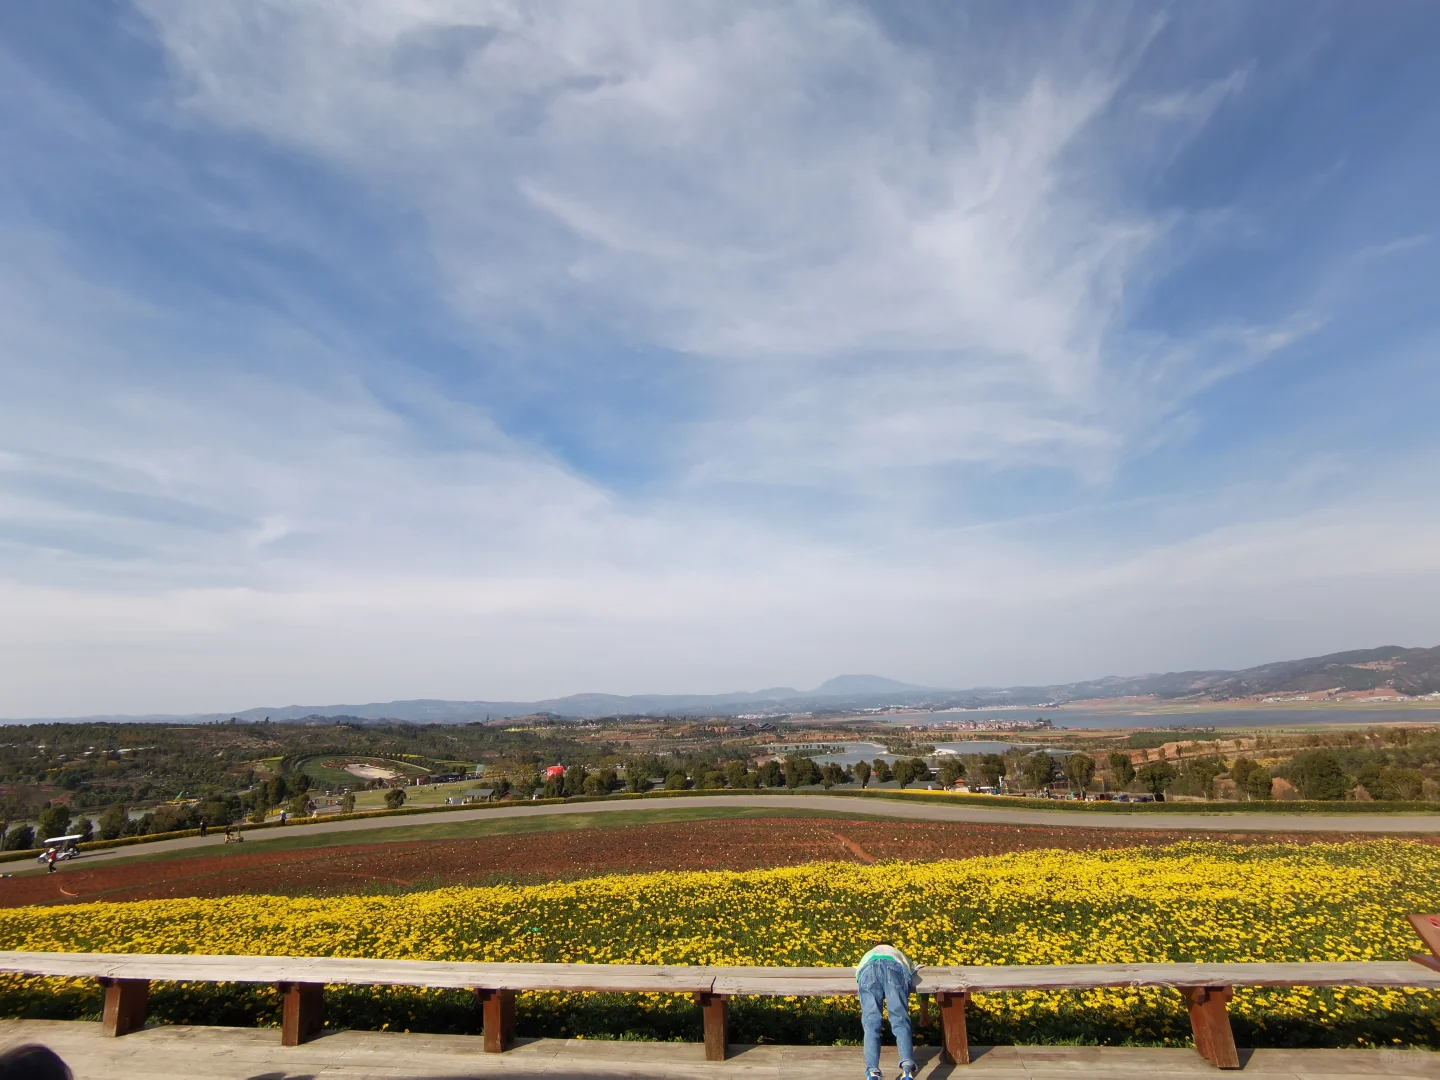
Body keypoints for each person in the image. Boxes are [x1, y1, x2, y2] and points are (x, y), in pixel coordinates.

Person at [856, 941, 917, 1080]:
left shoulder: (868, 955)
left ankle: (872, 1070)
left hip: (868, 970)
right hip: (894, 970)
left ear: (875, 947)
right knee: (899, 1020)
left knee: (871, 1023)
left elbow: (858, 971)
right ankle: (907, 1068)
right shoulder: (897, 954)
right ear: (892, 947)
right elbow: (912, 968)